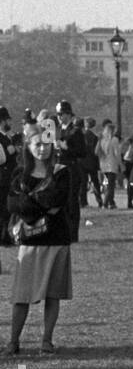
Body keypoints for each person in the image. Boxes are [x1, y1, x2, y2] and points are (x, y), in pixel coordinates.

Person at [6, 119, 74, 355]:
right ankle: (13, 341)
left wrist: (28, 204)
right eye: (37, 144)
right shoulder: (20, 173)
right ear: (28, 146)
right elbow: (13, 204)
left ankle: (47, 340)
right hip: (30, 242)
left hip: (56, 240)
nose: (42, 149)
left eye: (46, 144)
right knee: (21, 296)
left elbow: (58, 201)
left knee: (53, 295)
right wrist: (38, 206)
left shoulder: (61, 172)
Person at [53, 100, 86, 241]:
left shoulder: (76, 131)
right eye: (58, 114)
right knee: (61, 201)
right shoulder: (58, 130)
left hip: (71, 168)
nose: (59, 117)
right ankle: (63, 231)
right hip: (59, 167)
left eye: (62, 114)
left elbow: (82, 152)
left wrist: (67, 148)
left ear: (68, 114)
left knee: (72, 201)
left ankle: (73, 234)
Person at [95, 121, 126, 209]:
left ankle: (111, 202)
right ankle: (106, 203)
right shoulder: (114, 140)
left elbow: (97, 152)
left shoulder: (101, 140)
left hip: (103, 164)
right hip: (112, 165)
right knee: (111, 185)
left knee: (107, 184)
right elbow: (117, 154)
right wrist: (121, 164)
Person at [0, 106, 18, 246]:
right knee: (3, 209)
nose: (9, 123)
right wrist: (9, 151)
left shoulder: (6, 137)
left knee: (7, 209)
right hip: (3, 178)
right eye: (7, 120)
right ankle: (4, 237)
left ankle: (6, 235)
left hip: (9, 177)